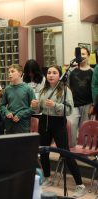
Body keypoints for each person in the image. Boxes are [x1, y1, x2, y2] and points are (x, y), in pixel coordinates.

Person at [31, 65, 86, 198]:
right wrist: (34, 106)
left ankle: (80, 185)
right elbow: (37, 110)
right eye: (49, 72)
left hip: (58, 123)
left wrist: (55, 105)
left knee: (65, 154)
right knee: (43, 151)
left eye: (54, 73)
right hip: (44, 121)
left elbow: (69, 110)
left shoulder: (65, 90)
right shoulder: (43, 90)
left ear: (60, 75)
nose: (50, 75)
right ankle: (47, 178)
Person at [68, 47, 93, 147]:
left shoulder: (93, 71)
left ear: (88, 56)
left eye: (84, 54)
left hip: (88, 104)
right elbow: (67, 87)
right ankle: (72, 151)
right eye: (79, 54)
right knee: (72, 126)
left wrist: (94, 105)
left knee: (85, 129)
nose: (82, 56)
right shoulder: (72, 71)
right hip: (73, 104)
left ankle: (85, 152)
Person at [0, 64, 35, 134]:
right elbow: (2, 105)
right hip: (9, 124)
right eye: (9, 72)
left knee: (23, 144)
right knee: (10, 144)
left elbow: (33, 108)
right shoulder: (7, 89)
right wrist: (7, 112)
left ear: (20, 73)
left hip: (23, 124)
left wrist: (21, 114)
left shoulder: (28, 89)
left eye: (12, 71)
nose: (10, 74)